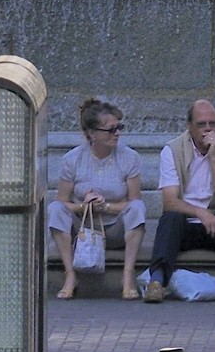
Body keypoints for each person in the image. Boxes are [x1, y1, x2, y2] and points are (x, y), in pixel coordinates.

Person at [146, 97, 215, 301]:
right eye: (201, 124)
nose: (208, 129)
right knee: (170, 217)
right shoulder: (173, 150)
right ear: (189, 126)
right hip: (184, 225)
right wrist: (201, 213)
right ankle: (157, 280)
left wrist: (214, 157)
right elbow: (169, 201)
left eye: (213, 124)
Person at [47, 99, 146, 301]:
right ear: (92, 133)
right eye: (111, 130)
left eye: (119, 127)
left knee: (138, 208)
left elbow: (134, 200)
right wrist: (83, 206)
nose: (117, 133)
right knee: (55, 209)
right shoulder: (72, 159)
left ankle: (127, 276)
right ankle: (70, 275)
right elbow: (63, 200)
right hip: (83, 231)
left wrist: (106, 206)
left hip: (115, 230)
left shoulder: (129, 157)